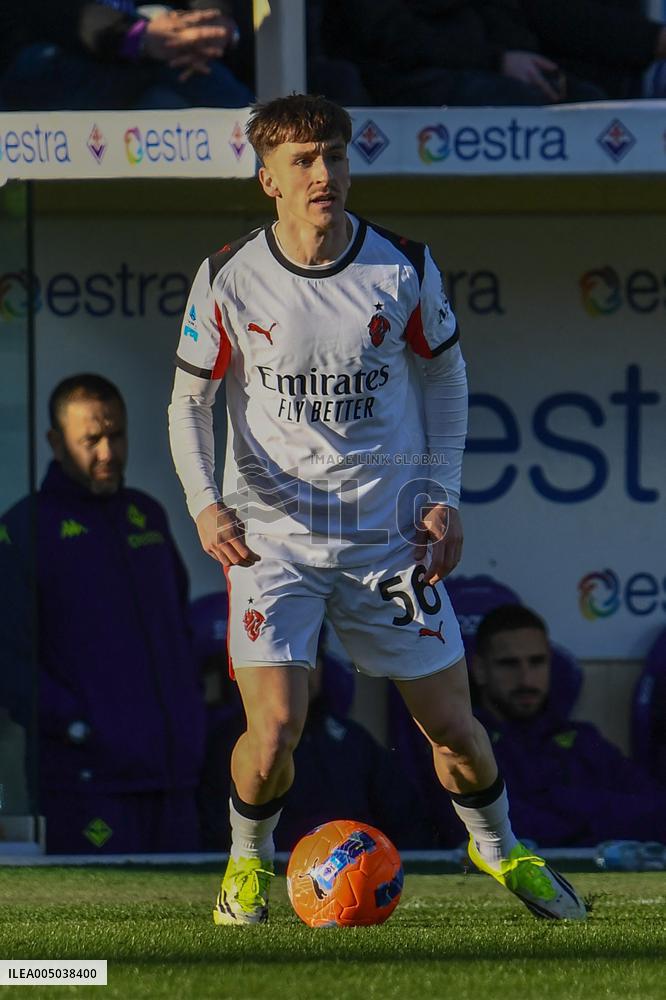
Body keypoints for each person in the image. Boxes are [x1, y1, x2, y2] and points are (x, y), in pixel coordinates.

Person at [168, 93, 586, 924]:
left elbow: (446, 376)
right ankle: (247, 863)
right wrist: (207, 506)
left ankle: (501, 850)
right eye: (304, 162)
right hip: (273, 544)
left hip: (385, 540)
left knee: (456, 733)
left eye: (336, 156)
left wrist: (439, 494)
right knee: (277, 728)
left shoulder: (402, 265)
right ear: (269, 180)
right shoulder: (228, 277)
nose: (325, 174)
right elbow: (190, 401)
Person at [0, 374, 206, 853]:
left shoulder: (147, 515)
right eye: (90, 439)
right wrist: (76, 725)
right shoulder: (25, 529)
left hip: (173, 777)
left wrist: (192, 718)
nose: (108, 452)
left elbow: (179, 627)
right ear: (56, 442)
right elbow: (9, 661)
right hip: (85, 781)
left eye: (116, 435)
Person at [197, 622, 433, 851]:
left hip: (351, 870)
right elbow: (213, 831)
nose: (306, 671)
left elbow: (407, 823)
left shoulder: (353, 741)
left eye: (314, 657)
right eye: (291, 663)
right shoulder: (230, 743)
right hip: (272, 866)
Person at [470, 604, 666, 846]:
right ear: (479, 670)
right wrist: (597, 810)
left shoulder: (582, 740)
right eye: (509, 664)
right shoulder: (465, 745)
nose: (526, 679)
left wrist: (560, 801)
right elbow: (498, 830)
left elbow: (657, 812)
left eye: (537, 662)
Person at [321, 0, 666, 106]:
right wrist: (498, 61)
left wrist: (518, 58)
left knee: (588, 100)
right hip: (398, 78)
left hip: (481, 65)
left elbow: (526, 19)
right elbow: (390, 37)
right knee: (523, 100)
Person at [0, 1, 252, 112]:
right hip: (39, 61)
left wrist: (212, 24)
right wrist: (139, 37)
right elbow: (50, 13)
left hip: (143, 63)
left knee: (165, 102)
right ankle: (269, 139)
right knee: (181, 77)